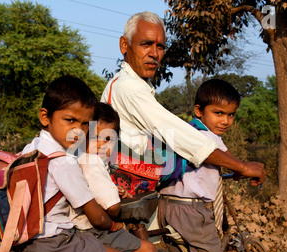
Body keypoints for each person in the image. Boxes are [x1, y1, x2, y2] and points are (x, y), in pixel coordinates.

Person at [4, 75, 152, 252]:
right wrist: (118, 225)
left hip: (25, 244)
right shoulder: (63, 161)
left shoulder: (32, 148)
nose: (78, 131)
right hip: (55, 245)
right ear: (45, 117)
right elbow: (98, 218)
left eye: (85, 124)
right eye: (70, 120)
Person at [100, 11, 266, 183]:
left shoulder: (135, 85)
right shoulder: (128, 87)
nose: (154, 54)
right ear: (124, 45)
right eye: (146, 44)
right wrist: (242, 167)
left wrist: (235, 164)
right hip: (123, 197)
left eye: (160, 47)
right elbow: (178, 134)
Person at [160, 79, 254, 252]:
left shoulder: (186, 132)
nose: (225, 121)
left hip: (167, 207)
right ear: (199, 111)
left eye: (231, 115)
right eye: (218, 113)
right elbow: (232, 160)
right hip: (192, 212)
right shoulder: (209, 139)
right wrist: (249, 169)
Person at [70, 102, 160, 252]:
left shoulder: (77, 158)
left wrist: (114, 190)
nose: (102, 144)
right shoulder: (92, 162)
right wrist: (117, 215)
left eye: (108, 139)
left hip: (76, 229)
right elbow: (112, 207)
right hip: (92, 231)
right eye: (95, 137)